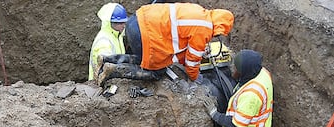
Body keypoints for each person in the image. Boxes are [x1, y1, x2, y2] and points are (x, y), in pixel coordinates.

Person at [97, 3, 234, 85]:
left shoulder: (199, 12)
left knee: (142, 59)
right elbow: (192, 61)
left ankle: (107, 59)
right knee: (156, 71)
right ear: (220, 26)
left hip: (136, 20)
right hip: (146, 32)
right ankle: (113, 71)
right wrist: (195, 77)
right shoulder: (205, 28)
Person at [88, 3, 128, 81]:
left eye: (124, 22)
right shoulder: (103, 42)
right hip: (100, 84)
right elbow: (106, 70)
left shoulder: (117, 35)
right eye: (120, 23)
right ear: (110, 23)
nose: (124, 26)